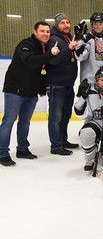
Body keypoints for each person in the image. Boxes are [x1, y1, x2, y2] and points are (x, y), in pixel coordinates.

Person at [0, 22, 60, 166]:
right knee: (8, 121)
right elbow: (30, 62)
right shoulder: (26, 44)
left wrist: (41, 88)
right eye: (42, 31)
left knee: (25, 122)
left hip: (31, 92)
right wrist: (50, 54)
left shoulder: (44, 47)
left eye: (47, 31)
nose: (45, 34)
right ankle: (2, 153)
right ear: (35, 32)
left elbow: (40, 70)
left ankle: (22, 149)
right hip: (16, 90)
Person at [45, 13, 79, 156]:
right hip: (56, 84)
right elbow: (54, 60)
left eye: (68, 22)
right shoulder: (53, 40)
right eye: (63, 23)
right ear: (57, 25)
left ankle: (63, 140)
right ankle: (56, 145)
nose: (66, 25)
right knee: (56, 116)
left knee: (66, 115)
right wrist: (69, 49)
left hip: (68, 84)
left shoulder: (68, 38)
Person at [74, 12, 103, 83]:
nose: (98, 26)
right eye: (95, 24)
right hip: (88, 81)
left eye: (100, 24)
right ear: (92, 25)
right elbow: (80, 57)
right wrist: (79, 39)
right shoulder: (86, 39)